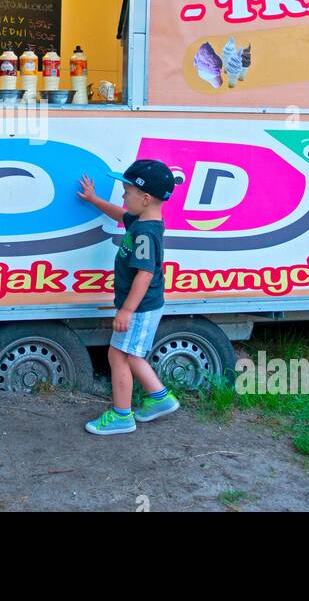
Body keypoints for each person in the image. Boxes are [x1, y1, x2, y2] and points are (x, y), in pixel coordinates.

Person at [77, 159, 180, 435]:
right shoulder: (142, 220)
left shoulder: (146, 234)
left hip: (139, 308)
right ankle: (159, 398)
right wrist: (94, 199)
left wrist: (126, 311)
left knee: (120, 356)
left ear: (145, 198)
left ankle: (124, 414)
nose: (123, 197)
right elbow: (120, 215)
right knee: (126, 355)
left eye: (127, 192)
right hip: (142, 307)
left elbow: (144, 275)